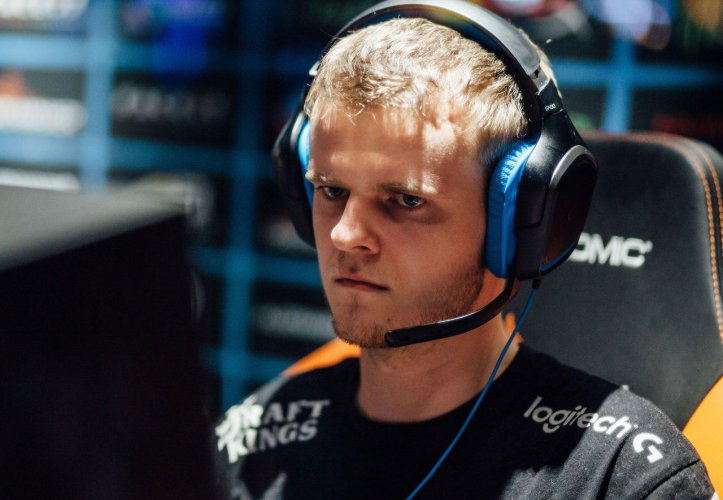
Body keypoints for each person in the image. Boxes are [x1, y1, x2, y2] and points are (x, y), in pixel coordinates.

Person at [214, 3, 716, 498]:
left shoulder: (622, 477)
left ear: (513, 221)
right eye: (331, 190)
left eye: (406, 200)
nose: (346, 235)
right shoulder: (250, 445)